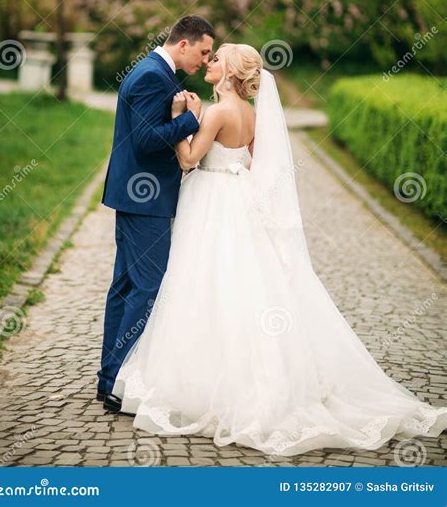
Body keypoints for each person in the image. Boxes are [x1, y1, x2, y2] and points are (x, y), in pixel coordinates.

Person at [111, 42, 447, 456]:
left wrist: (183, 117)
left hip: (211, 201)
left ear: (231, 72)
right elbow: (255, 163)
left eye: (216, 60)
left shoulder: (214, 112)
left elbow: (189, 160)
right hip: (238, 201)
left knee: (204, 284)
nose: (210, 63)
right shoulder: (251, 115)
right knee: (245, 285)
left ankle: (204, 380)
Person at [96, 16, 215, 412]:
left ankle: (110, 377)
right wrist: (190, 121)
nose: (205, 59)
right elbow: (146, 142)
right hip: (143, 201)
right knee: (145, 289)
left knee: (126, 287)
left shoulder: (153, 72)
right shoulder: (152, 77)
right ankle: (118, 381)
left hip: (135, 198)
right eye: (203, 51)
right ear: (184, 45)